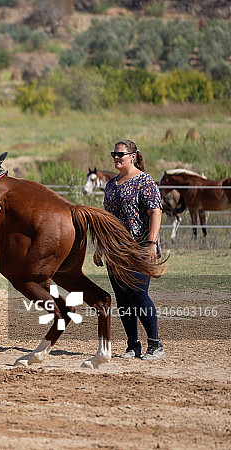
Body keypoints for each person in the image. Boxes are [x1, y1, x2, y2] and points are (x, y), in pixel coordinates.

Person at [93, 139, 165, 360]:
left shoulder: (145, 181)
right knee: (123, 299)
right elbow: (108, 219)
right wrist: (100, 246)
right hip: (115, 251)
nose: (116, 157)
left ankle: (155, 344)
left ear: (133, 156)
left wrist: (151, 243)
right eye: (113, 153)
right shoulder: (112, 184)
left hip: (139, 248)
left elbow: (155, 212)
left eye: (120, 154)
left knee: (138, 295)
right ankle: (133, 345)